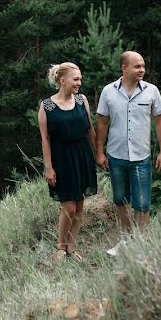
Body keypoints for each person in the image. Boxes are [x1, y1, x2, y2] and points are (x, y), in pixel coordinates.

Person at [95, 51, 161, 257]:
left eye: (143, 66)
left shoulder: (151, 91)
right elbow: (102, 122)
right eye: (137, 66)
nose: (142, 70)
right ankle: (126, 241)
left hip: (141, 156)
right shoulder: (108, 92)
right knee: (120, 199)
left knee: (143, 202)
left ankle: (142, 243)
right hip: (116, 156)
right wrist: (99, 152)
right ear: (124, 68)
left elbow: (160, 120)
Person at [37, 62, 98, 261]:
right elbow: (45, 138)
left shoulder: (82, 100)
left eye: (80, 79)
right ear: (62, 81)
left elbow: (90, 129)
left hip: (82, 155)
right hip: (61, 158)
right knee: (69, 207)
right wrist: (48, 167)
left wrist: (98, 153)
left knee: (80, 206)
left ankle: (72, 247)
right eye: (76, 79)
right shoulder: (46, 106)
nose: (79, 82)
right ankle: (61, 247)